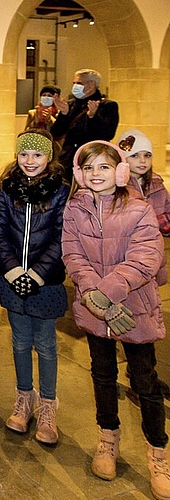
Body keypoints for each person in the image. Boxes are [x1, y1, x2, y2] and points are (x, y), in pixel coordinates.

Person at [62, 140, 170, 498]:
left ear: (120, 171)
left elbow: (146, 258)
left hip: (133, 307)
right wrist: (94, 295)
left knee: (145, 382)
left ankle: (158, 454)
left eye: (104, 167)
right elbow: (72, 252)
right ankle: (107, 440)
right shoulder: (75, 208)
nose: (96, 174)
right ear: (80, 173)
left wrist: (106, 292)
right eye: (89, 168)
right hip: (97, 310)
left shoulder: (138, 209)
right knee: (103, 374)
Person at [0, 129, 69, 445]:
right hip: (13, 280)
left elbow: (61, 236)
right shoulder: (7, 190)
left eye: (37, 155)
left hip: (44, 282)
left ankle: (48, 405)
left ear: (48, 158)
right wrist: (10, 270)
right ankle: (25, 398)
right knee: (20, 341)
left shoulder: (61, 191)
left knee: (46, 344)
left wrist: (37, 273)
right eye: (24, 154)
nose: (30, 160)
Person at [51, 69, 119, 179]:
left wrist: (93, 117)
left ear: (91, 85)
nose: (75, 86)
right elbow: (56, 133)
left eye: (79, 83)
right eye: (74, 83)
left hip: (91, 159)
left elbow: (108, 134)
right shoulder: (70, 105)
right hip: (67, 161)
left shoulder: (107, 106)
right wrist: (63, 114)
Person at [118, 129, 170, 237]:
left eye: (147, 155)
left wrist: (163, 222)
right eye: (135, 155)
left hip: (155, 246)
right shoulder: (117, 187)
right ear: (123, 158)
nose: (142, 160)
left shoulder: (157, 184)